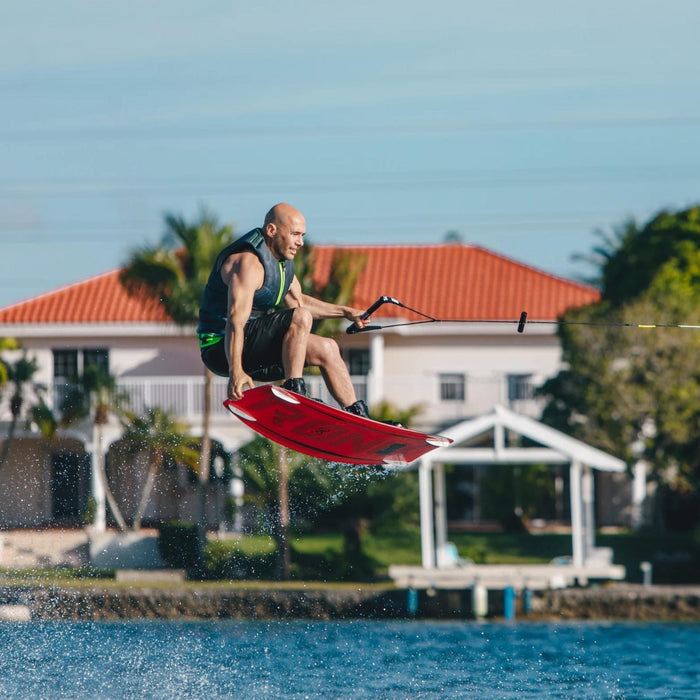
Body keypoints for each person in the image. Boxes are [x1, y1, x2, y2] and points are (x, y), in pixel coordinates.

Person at [197, 203, 371, 418]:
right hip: (221, 350)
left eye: (303, 235)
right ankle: (293, 392)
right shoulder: (247, 263)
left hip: (253, 347)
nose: (300, 242)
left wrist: (345, 312)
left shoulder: (280, 263)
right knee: (300, 318)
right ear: (272, 230)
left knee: (328, 348)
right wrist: (236, 370)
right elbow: (235, 319)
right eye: (295, 234)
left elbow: (300, 303)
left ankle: (358, 416)